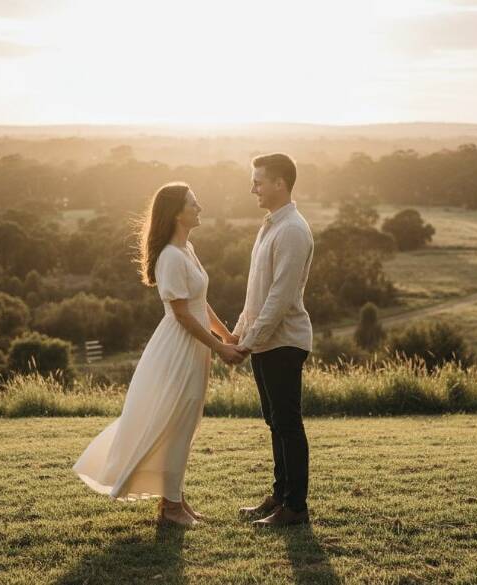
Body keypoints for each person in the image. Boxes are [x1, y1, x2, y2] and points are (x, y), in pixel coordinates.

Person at [72, 182, 245, 527]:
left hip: (196, 347)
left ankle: (175, 500)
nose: (200, 208)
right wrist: (220, 347)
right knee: (174, 422)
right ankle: (171, 508)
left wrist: (226, 334)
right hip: (178, 348)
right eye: (193, 204)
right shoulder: (169, 256)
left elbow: (199, 303)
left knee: (185, 423)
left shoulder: (187, 249)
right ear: (176, 212)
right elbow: (181, 314)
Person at [233, 153, 315, 528]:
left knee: (287, 422)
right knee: (274, 421)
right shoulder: (270, 226)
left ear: (280, 182)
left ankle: (295, 507)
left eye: (259, 181)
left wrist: (248, 342)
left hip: (283, 341)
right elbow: (257, 292)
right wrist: (239, 332)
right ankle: (280, 495)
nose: (253, 188)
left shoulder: (293, 230)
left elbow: (280, 298)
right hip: (265, 340)